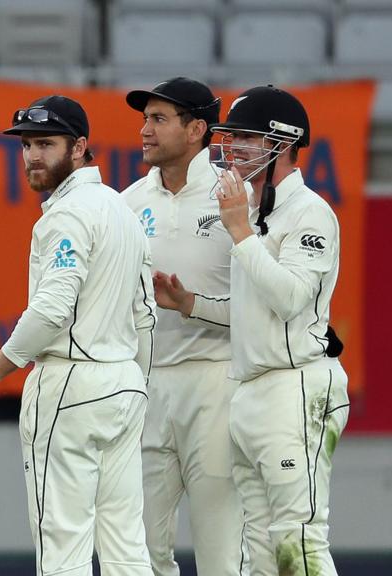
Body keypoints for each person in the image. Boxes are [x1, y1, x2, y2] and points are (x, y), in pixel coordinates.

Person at [155, 86, 349, 576]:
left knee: (297, 541)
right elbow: (251, 312)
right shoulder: (260, 214)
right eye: (231, 136)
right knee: (260, 552)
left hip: (296, 386)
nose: (232, 148)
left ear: (283, 145)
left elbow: (288, 299)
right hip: (250, 392)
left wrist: (240, 232)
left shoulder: (309, 212)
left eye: (247, 138)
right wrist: (190, 303)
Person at [0, 94, 156, 576]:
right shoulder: (121, 208)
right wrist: (137, 383)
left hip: (71, 384)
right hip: (123, 383)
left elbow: (50, 311)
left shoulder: (66, 214)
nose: (31, 156)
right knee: (126, 547)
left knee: (62, 548)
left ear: (80, 147)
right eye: (26, 145)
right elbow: (145, 313)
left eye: (45, 143)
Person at [121, 78, 247, 576]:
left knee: (220, 551)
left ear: (197, 129)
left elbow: (262, 308)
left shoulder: (237, 198)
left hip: (215, 380)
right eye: (144, 119)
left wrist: (191, 303)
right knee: (139, 549)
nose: (145, 130)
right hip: (146, 385)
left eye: (158, 119)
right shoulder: (126, 203)